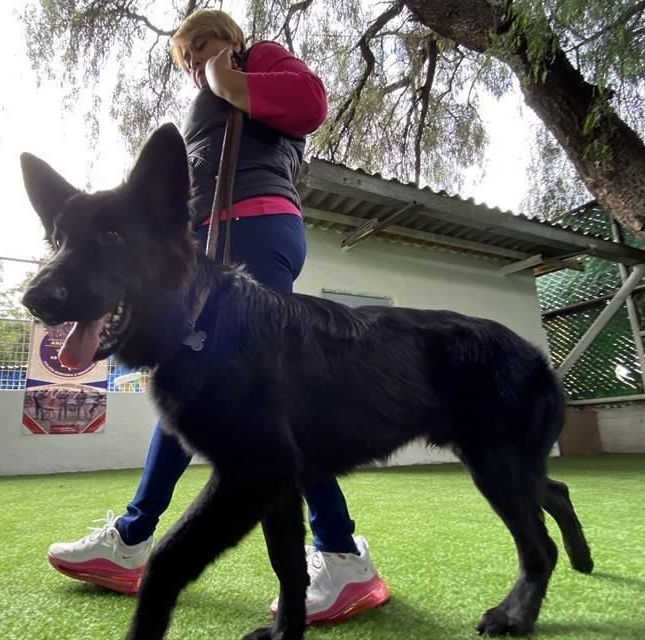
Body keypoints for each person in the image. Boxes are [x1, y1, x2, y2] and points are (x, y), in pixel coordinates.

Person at [47, 8, 390, 624]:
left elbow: (311, 104)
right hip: (210, 241)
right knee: (195, 382)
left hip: (252, 227)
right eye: (185, 55)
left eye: (202, 43)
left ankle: (338, 554)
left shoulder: (257, 60)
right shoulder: (216, 92)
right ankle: (138, 537)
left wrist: (227, 78)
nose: (193, 59)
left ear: (231, 40)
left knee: (248, 394)